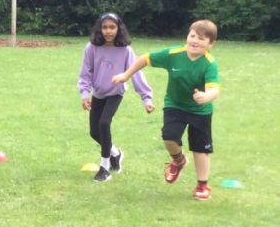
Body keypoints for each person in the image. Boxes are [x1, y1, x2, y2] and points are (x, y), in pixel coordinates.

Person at [112, 19, 220, 200]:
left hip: (200, 111)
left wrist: (205, 96)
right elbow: (145, 59)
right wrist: (126, 75)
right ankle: (179, 160)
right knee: (169, 137)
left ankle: (202, 186)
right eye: (192, 36)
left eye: (201, 39)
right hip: (175, 105)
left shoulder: (209, 63)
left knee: (200, 149)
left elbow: (214, 89)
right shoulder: (174, 54)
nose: (195, 41)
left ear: (210, 44)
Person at [78, 12, 155, 182]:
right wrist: (85, 94)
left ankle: (104, 168)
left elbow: (136, 73)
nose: (108, 31)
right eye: (105, 27)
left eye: (112, 27)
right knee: (94, 132)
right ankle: (116, 153)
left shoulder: (126, 50)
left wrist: (146, 98)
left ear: (119, 29)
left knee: (104, 123)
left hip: (115, 93)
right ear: (99, 29)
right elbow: (85, 73)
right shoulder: (91, 48)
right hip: (98, 93)